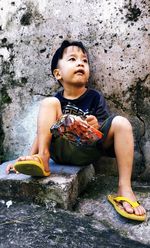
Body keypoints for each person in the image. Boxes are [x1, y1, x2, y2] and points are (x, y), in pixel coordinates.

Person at [6, 40, 146, 221]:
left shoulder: (94, 97)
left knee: (122, 123)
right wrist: (24, 159)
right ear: (58, 74)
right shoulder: (56, 101)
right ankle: (42, 158)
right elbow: (41, 133)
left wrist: (96, 124)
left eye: (85, 61)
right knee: (49, 103)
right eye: (72, 59)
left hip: (87, 150)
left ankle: (125, 188)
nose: (81, 63)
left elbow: (105, 128)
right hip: (59, 149)